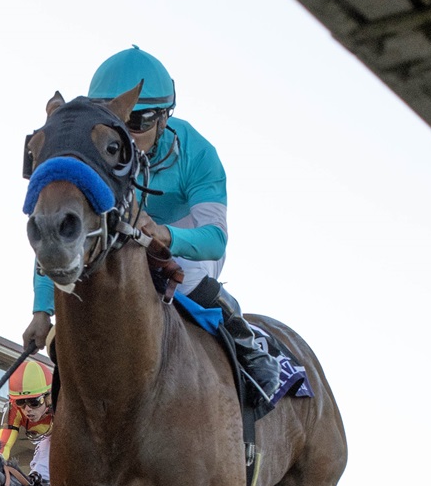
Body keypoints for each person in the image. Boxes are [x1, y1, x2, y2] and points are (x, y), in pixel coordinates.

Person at [22, 45, 279, 400]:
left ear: (163, 118)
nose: (124, 133)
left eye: (137, 122)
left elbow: (214, 238)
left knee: (179, 271)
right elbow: (64, 231)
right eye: (115, 120)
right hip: (123, 234)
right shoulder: (98, 149)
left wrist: (164, 234)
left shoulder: (198, 153)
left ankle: (243, 338)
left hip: (183, 242)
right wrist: (41, 311)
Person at [0, 358, 54, 486]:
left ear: (48, 397)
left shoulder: (62, 404)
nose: (27, 409)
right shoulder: (14, 410)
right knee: (37, 473)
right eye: (21, 402)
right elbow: (3, 446)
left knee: (43, 464)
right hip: (49, 439)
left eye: (34, 402)